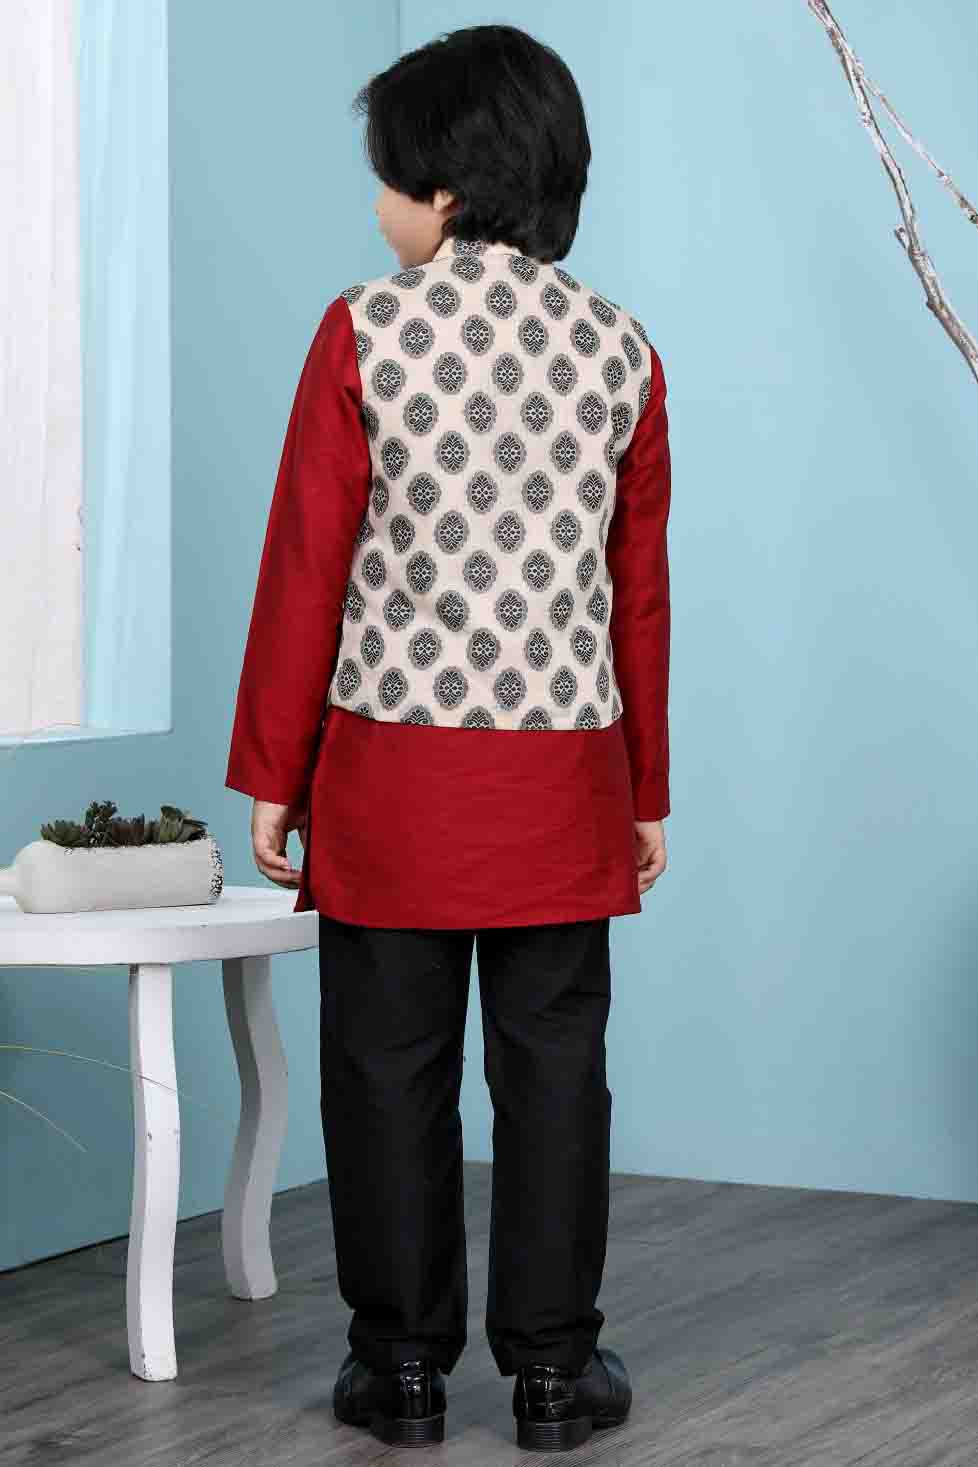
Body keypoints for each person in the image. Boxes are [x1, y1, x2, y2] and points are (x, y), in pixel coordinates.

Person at [225, 21, 671, 1453]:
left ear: (448, 185)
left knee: (385, 1070)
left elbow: (308, 566)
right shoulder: (620, 347)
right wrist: (646, 792)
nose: (376, 209)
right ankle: (552, 1374)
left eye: (389, 181)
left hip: (394, 779)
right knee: (553, 1075)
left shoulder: (363, 331)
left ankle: (402, 1369)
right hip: (562, 777)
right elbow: (636, 594)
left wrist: (273, 775)